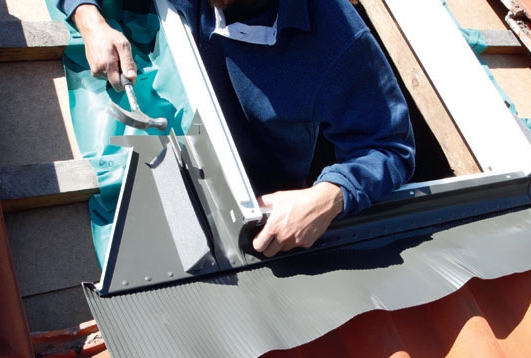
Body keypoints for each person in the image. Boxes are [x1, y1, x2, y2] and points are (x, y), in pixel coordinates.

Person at [57, 0, 416, 257]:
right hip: (181, 155)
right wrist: (90, 20)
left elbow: (389, 147)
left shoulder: (339, 43)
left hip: (253, 215)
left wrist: (328, 197)